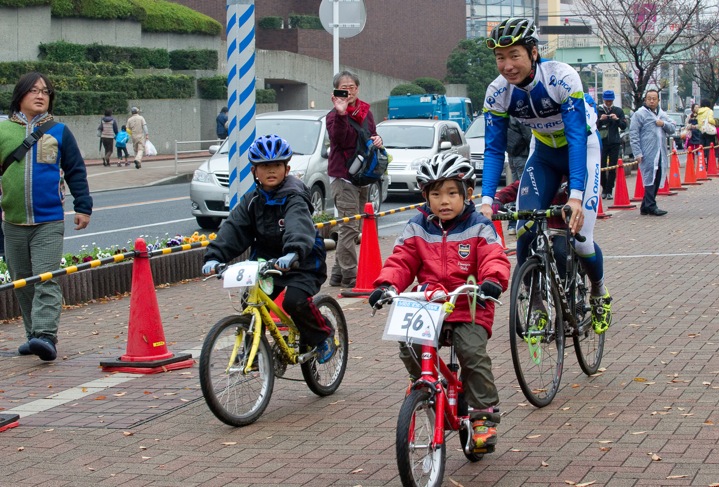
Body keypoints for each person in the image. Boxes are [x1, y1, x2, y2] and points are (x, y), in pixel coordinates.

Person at [368, 153, 510, 453]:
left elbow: (493, 257)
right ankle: (427, 385)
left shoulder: (480, 225)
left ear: (466, 194)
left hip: (468, 304)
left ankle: (483, 415)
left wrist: (492, 281)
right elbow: (401, 259)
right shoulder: (417, 226)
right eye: (435, 194)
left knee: (471, 352)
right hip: (428, 303)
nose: (443, 201)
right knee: (408, 342)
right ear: (425, 196)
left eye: (451, 193)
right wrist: (387, 285)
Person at [479, 17, 612, 335]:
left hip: (582, 150)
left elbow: (578, 137)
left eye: (514, 56)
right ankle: (537, 303)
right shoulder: (498, 93)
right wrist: (486, 200)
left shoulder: (562, 78)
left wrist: (576, 197)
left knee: (581, 241)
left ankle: (598, 292)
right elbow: (494, 150)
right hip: (544, 156)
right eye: (500, 57)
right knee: (526, 228)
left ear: (533, 53)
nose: (507, 65)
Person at [201, 135, 335, 363]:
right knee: (251, 301)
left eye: (276, 165)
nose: (270, 171)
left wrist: (292, 252)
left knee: (294, 302)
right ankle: (255, 350)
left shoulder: (295, 197)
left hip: (302, 262)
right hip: (266, 264)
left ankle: (323, 337)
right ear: (254, 170)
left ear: (287, 168)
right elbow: (234, 229)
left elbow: (297, 224)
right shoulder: (252, 200)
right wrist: (213, 258)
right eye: (264, 166)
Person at [0, 71, 93, 361]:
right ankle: (33, 336)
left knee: (46, 278)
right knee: (22, 281)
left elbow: (76, 170)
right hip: (12, 221)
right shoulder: (3, 131)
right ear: (20, 95)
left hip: (49, 220)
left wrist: (83, 206)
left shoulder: (59, 131)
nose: (41, 95)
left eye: (46, 91)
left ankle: (45, 335)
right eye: (34, 90)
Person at [326, 70, 383, 288]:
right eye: (343, 87)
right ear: (336, 91)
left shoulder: (366, 112)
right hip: (343, 177)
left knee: (352, 227)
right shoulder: (333, 116)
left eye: (351, 87)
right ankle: (350, 275)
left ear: (357, 89)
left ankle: (337, 274)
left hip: (363, 176)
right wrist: (341, 114)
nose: (348, 90)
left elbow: (371, 135)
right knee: (349, 227)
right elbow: (339, 139)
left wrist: (378, 139)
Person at [629, 89, 675, 216]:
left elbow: (672, 128)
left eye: (654, 98)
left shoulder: (662, 114)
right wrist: (637, 153)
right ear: (645, 100)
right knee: (649, 179)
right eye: (649, 98)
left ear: (658, 100)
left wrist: (663, 124)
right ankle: (651, 206)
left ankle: (645, 206)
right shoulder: (639, 114)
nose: (652, 101)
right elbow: (633, 135)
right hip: (647, 153)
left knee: (658, 176)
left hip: (660, 153)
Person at [596, 90, 627, 200]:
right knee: (602, 167)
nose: (608, 103)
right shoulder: (598, 110)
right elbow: (592, 125)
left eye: (610, 100)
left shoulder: (618, 111)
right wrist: (600, 119)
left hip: (614, 142)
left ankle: (609, 190)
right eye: (607, 100)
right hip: (602, 142)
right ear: (603, 100)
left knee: (613, 167)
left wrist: (617, 119)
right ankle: (604, 188)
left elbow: (624, 126)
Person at [505, 116, 532, 234]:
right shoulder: (519, 116)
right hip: (523, 155)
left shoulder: (505, 115)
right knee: (523, 190)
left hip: (512, 155)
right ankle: (523, 223)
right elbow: (528, 135)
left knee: (514, 190)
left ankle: (512, 224)